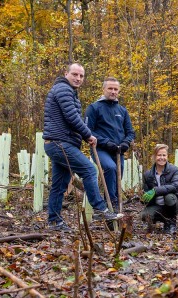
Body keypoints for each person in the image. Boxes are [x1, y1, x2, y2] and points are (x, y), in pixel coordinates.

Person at [43, 63, 121, 232]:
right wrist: (88, 135)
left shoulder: (68, 91)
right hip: (59, 143)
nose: (78, 78)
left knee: (59, 184)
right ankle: (100, 210)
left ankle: (54, 221)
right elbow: (72, 117)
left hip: (59, 143)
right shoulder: (63, 90)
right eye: (75, 74)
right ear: (66, 74)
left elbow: (70, 118)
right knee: (89, 170)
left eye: (81, 76)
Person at [85, 77, 135, 210]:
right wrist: (106, 142)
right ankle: (110, 202)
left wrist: (126, 142)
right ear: (104, 89)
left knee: (118, 176)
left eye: (116, 89)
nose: (113, 92)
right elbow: (88, 130)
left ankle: (117, 207)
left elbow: (130, 132)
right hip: (101, 149)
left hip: (118, 151)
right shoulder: (94, 108)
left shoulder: (122, 110)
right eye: (110, 88)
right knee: (110, 168)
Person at [141, 144, 178, 235]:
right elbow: (146, 194)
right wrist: (144, 197)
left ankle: (171, 222)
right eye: (159, 155)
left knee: (169, 197)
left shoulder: (174, 170)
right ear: (154, 157)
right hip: (158, 205)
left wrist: (155, 190)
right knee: (144, 215)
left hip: (174, 203)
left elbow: (175, 186)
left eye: (164, 155)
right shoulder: (148, 174)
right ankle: (162, 219)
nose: (161, 158)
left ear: (167, 156)